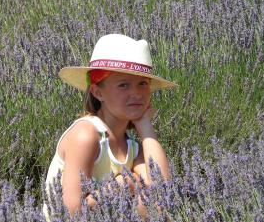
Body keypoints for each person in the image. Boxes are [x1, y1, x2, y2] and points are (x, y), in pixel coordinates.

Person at [43, 34, 178, 219]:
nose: (136, 93)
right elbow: (70, 214)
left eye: (143, 84)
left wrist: (145, 126)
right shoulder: (86, 136)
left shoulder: (132, 147)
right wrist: (122, 185)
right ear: (98, 92)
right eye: (123, 85)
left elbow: (162, 195)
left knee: (149, 203)